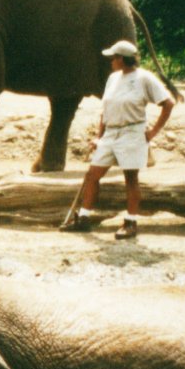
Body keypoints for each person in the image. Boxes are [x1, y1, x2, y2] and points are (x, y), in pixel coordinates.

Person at [61, 39, 175, 239]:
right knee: (92, 174)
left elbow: (168, 103)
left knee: (130, 178)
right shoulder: (113, 78)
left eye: (113, 58)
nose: (111, 61)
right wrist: (98, 138)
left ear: (122, 59)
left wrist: (153, 132)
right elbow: (105, 111)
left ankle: (131, 222)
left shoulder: (144, 78)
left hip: (132, 132)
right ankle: (84, 218)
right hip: (111, 134)